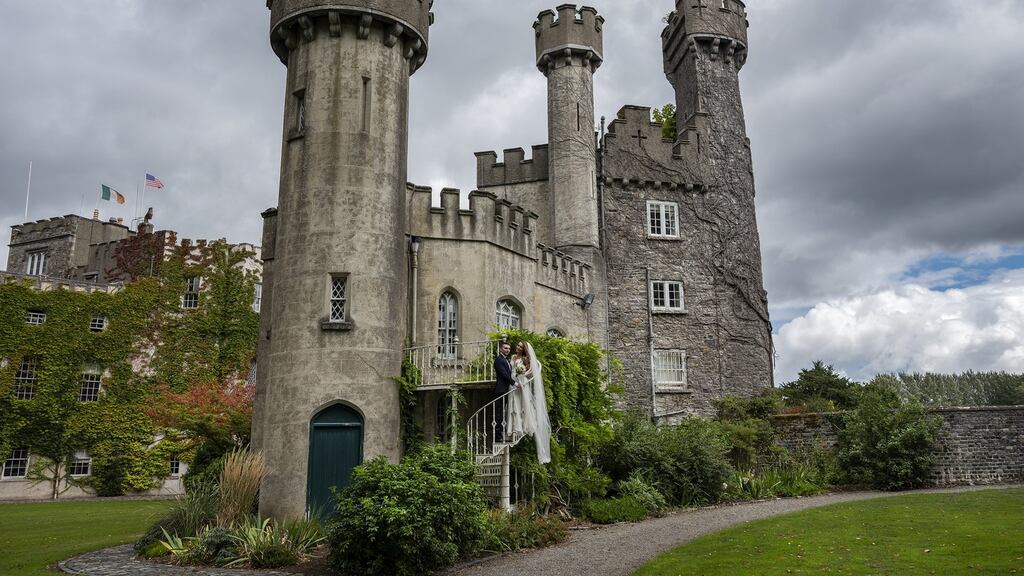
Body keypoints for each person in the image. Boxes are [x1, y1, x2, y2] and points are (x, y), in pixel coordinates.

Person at [493, 340, 515, 442]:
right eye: (505, 348)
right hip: (501, 390)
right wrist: (514, 383)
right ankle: (498, 436)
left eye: (509, 348)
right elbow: (504, 374)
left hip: (507, 389)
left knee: (505, 411)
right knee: (499, 413)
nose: (507, 350)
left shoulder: (506, 360)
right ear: (501, 348)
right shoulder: (499, 360)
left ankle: (503, 432)